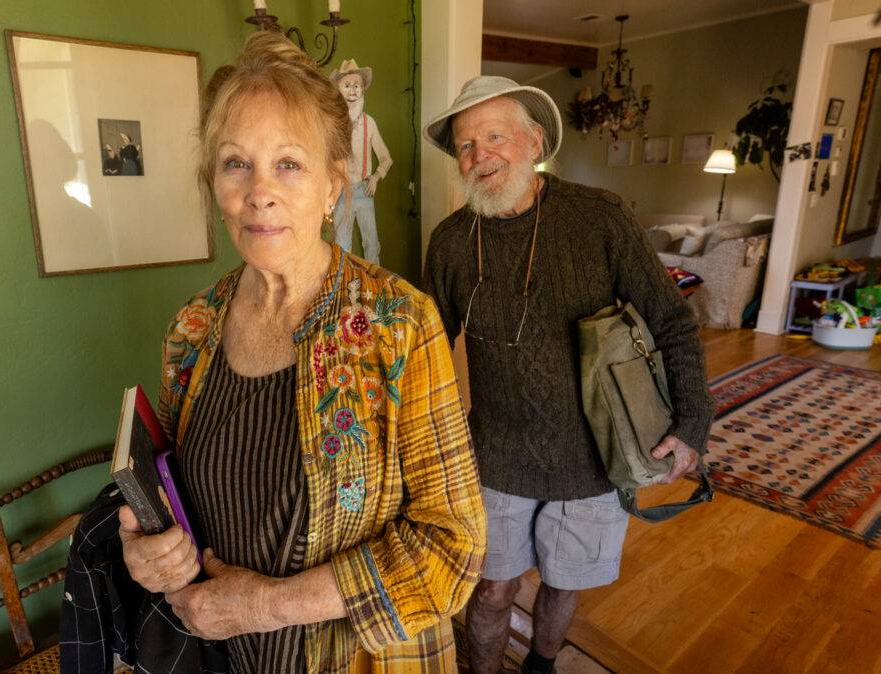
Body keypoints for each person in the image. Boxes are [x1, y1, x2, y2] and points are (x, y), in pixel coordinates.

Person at [61, 31, 485, 674]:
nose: (260, 191)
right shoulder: (192, 328)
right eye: (236, 163)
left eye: (289, 163)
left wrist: (268, 605)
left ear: (333, 185)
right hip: (216, 658)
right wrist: (148, 551)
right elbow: (169, 494)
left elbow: (452, 550)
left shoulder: (399, 323)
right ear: (214, 183)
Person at [421, 76, 715, 674]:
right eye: (466, 146)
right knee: (491, 591)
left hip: (595, 458)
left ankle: (541, 667)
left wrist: (692, 423)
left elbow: (671, 320)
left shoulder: (599, 218)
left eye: (494, 136)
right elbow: (423, 352)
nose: (480, 157)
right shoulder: (451, 242)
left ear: (533, 141)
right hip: (495, 457)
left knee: (563, 582)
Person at [328, 59, 392, 265]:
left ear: (363, 90)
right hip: (341, 193)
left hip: (364, 191)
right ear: (339, 90)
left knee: (371, 244)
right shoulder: (333, 125)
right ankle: (344, 289)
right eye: (347, 85)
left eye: (357, 85)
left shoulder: (369, 123)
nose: (353, 91)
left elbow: (386, 159)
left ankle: (373, 288)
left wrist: (375, 178)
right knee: (342, 245)